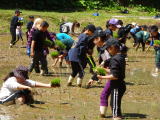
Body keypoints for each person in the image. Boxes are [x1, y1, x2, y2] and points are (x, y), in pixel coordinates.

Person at [98, 38, 126, 120]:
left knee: (114, 107)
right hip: (121, 85)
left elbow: (114, 76)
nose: (107, 50)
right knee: (115, 104)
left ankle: (117, 117)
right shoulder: (121, 57)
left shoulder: (114, 59)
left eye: (108, 48)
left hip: (116, 85)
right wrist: (104, 69)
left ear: (113, 47)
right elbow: (115, 71)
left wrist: (102, 77)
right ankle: (119, 116)